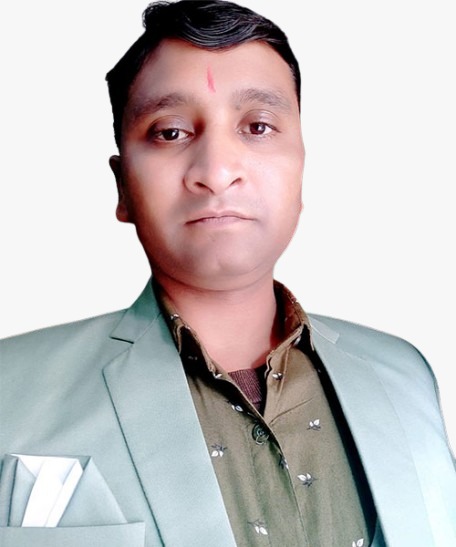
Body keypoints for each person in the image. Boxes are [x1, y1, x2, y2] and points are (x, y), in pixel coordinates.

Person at [0, 1, 455, 545]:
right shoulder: (10, 388)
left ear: (302, 166)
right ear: (122, 186)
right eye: (170, 133)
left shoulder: (404, 375)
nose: (217, 172)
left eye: (258, 126)